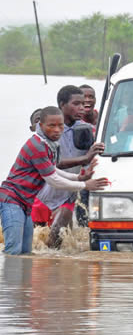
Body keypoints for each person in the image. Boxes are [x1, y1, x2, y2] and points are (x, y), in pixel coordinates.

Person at [0, 106, 108, 255]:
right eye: (51, 125)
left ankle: (21, 279)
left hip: (25, 203)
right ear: (41, 126)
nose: (57, 130)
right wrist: (84, 184)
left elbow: (53, 169)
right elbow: (52, 179)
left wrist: (78, 177)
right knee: (13, 250)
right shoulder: (37, 145)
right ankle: (8, 278)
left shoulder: (49, 144)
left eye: (60, 125)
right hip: (12, 200)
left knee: (25, 252)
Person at [36, 86, 105, 248]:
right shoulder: (47, 129)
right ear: (62, 105)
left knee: (57, 240)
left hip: (68, 192)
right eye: (76, 103)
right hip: (43, 192)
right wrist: (85, 157)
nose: (82, 107)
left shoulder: (85, 129)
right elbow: (51, 163)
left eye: (83, 103)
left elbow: (92, 158)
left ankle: (58, 265)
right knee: (36, 241)